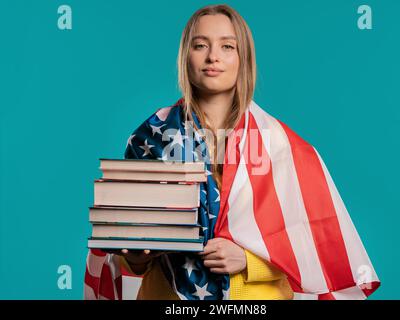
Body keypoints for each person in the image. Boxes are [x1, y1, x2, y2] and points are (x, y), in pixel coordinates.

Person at [84, 4, 380, 300]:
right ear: (186, 55)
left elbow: (316, 246)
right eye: (200, 45)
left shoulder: (281, 146)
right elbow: (129, 257)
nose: (213, 56)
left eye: (227, 46)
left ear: (244, 58)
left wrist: (248, 261)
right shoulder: (150, 137)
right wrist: (137, 255)